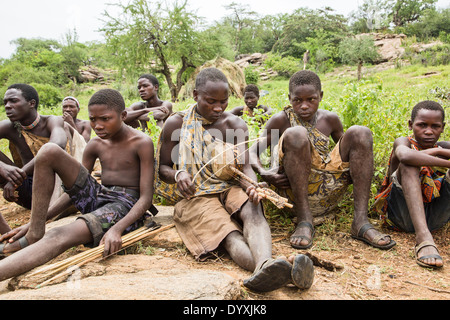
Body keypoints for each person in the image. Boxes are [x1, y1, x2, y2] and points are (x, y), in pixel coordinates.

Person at [155, 67, 314, 293]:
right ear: (195, 96)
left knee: (253, 209)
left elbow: (245, 166)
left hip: (229, 186)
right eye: (211, 101)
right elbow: (162, 169)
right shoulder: (177, 124)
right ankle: (278, 269)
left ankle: (265, 266)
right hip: (196, 195)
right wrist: (178, 174)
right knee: (229, 234)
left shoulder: (235, 125)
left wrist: (251, 186)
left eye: (224, 101)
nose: (218, 108)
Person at [0, 89, 156, 281]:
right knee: (49, 150)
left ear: (123, 116)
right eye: (93, 119)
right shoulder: (95, 144)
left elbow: (146, 197)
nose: (98, 126)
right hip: (99, 195)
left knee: (58, 235)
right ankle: (35, 233)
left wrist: (117, 229)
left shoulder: (141, 142)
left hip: (124, 204)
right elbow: (76, 191)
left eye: (105, 119)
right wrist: (38, 220)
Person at [250, 70, 396, 251]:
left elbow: (349, 153)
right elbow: (251, 152)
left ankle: (361, 221)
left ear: (321, 96)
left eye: (311, 99)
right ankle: (304, 220)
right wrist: (265, 173)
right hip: (293, 195)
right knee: (297, 134)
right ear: (289, 99)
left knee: (361, 132)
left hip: (327, 193)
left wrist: (354, 171)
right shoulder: (281, 120)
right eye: (297, 100)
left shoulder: (330, 119)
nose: (304, 106)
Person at [374, 101, 450, 269]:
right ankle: (423, 238)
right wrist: (439, 154)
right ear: (410, 124)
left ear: (443, 127)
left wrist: (438, 150)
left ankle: (426, 231)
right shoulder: (404, 142)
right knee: (408, 164)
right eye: (422, 125)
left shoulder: (442, 146)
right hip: (401, 215)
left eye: (435, 126)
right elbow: (406, 156)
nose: (428, 131)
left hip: (435, 218)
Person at [0, 84, 71, 234]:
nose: (7, 106)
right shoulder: (9, 127)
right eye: (5, 102)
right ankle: (6, 235)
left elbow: (56, 145)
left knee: (49, 151)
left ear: (31, 103)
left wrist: (15, 179)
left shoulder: (52, 121)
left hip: (59, 192)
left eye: (13, 101)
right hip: (30, 191)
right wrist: (2, 167)